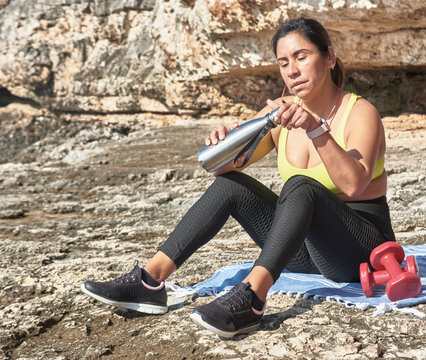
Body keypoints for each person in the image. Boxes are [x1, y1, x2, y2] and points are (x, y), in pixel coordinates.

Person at [81, 17, 395, 338]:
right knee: (232, 185)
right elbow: (222, 169)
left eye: (302, 57)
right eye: (283, 62)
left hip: (361, 252)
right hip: (308, 253)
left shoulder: (359, 112)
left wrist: (315, 129)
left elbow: (353, 183)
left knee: (300, 186)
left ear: (329, 57)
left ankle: (252, 299)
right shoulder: (282, 111)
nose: (292, 70)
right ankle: (150, 280)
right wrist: (224, 143)